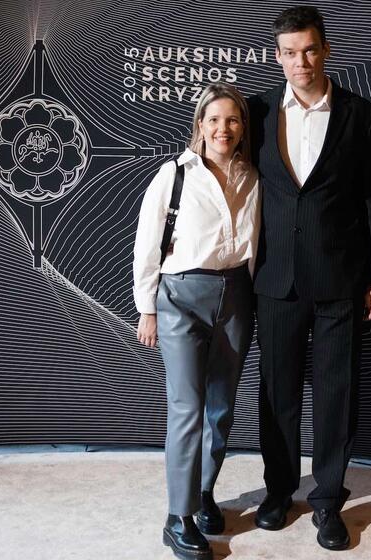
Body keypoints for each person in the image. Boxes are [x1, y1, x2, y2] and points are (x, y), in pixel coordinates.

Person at [247, 6, 371, 551]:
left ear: (325, 49)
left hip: (341, 280)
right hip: (275, 279)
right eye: (289, 53)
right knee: (277, 394)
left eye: (309, 50)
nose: (300, 62)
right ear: (277, 56)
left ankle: (328, 500)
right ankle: (279, 491)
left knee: (336, 396)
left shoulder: (360, 113)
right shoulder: (256, 111)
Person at [133, 82, 260, 560]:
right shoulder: (174, 174)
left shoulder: (253, 176)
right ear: (200, 125)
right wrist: (147, 308)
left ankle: (205, 493)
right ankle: (177, 517)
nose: (223, 128)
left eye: (232, 120)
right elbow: (147, 243)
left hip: (236, 295)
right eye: (214, 120)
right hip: (181, 296)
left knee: (221, 407)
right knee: (187, 407)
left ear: (242, 127)